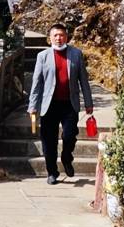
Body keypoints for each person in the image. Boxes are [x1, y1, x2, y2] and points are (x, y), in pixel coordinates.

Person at [27, 24, 94, 184]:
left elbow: (83, 80)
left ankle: (66, 158)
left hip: (69, 104)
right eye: (55, 35)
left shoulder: (76, 54)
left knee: (69, 135)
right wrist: (33, 106)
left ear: (66, 37)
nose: (58, 38)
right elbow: (37, 83)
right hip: (49, 104)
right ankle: (52, 172)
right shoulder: (42, 56)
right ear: (50, 38)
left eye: (61, 35)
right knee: (48, 140)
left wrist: (89, 102)